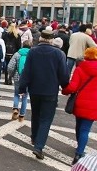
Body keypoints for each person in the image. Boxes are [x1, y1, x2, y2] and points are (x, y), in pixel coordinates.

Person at [17, 27, 70, 159]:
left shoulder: (33, 52)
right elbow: (63, 74)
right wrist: (65, 86)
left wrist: (22, 88)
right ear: (51, 40)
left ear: (40, 38)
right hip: (50, 90)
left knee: (35, 114)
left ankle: (35, 137)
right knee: (46, 119)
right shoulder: (59, 54)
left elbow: (26, 71)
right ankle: (39, 146)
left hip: (35, 89)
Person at [62, 47, 97, 164]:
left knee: (79, 125)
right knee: (85, 129)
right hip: (94, 103)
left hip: (80, 102)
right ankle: (79, 153)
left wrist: (64, 90)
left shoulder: (80, 69)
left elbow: (73, 87)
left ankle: (79, 145)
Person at [7, 40, 30, 121]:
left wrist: (11, 75)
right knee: (25, 96)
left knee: (16, 94)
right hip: (28, 78)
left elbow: (10, 66)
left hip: (17, 77)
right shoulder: (32, 55)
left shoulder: (17, 54)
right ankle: (22, 115)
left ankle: (15, 108)